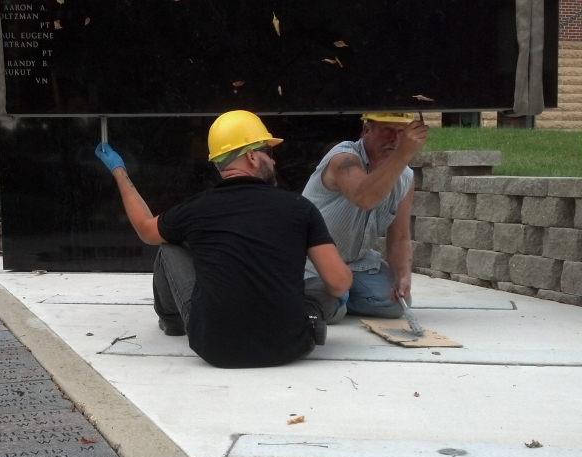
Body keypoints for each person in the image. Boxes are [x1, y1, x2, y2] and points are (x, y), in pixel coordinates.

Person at [94, 110, 352, 369]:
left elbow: (145, 229)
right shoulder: (300, 208)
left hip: (215, 347)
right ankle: (306, 318)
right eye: (269, 153)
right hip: (288, 347)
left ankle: (173, 323)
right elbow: (339, 283)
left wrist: (119, 172)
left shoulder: (196, 209)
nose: (274, 162)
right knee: (326, 284)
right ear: (252, 156)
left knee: (168, 246)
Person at [302, 113, 428, 319]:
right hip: (314, 262)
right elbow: (364, 196)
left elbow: (400, 237)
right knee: (332, 312)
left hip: (357, 263)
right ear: (366, 131)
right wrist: (403, 153)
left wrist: (402, 276)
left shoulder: (405, 178)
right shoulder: (343, 158)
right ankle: (333, 296)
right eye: (387, 129)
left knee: (395, 303)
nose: (395, 139)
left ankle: (337, 296)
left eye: (400, 132)